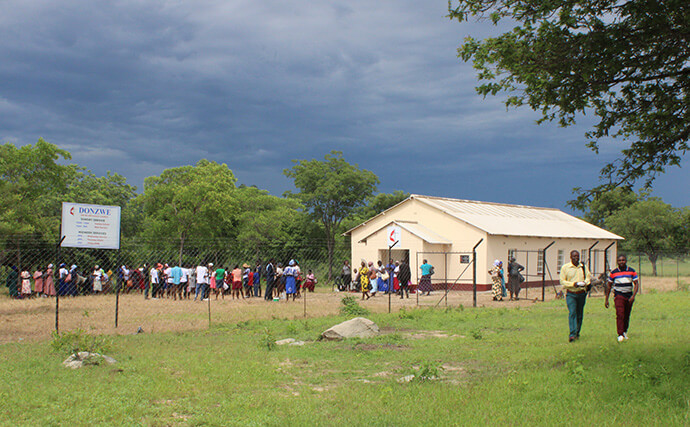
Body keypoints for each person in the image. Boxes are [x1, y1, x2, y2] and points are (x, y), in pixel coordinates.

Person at [605, 255, 640, 342]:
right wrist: (606, 299)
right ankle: (620, 334)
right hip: (619, 295)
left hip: (629, 296)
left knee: (626, 315)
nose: (621, 262)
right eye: (620, 260)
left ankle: (624, 331)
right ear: (617, 262)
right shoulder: (614, 272)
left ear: (626, 261)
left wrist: (633, 296)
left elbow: (636, 284)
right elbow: (609, 286)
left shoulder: (631, 271)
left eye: (623, 260)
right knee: (620, 314)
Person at [559, 250, 591, 342]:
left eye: (577, 256)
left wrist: (585, 283)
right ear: (570, 257)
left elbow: (588, 277)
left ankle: (577, 332)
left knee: (579, 314)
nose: (576, 258)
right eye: (574, 256)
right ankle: (572, 334)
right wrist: (573, 284)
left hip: (581, 293)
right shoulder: (565, 268)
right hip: (571, 293)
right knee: (572, 312)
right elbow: (562, 281)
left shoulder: (583, 267)